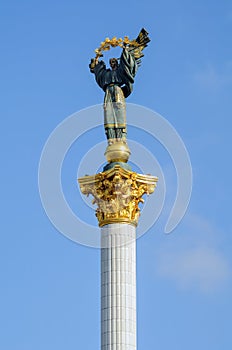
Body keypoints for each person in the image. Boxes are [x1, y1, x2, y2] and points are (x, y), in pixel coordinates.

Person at [89, 48, 137, 143]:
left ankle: (121, 137)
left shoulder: (120, 71)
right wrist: (96, 60)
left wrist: (125, 51)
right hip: (108, 92)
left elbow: (126, 65)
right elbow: (98, 71)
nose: (112, 63)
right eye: (111, 62)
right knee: (108, 113)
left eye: (114, 62)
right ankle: (111, 138)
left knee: (119, 113)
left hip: (118, 91)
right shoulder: (106, 73)